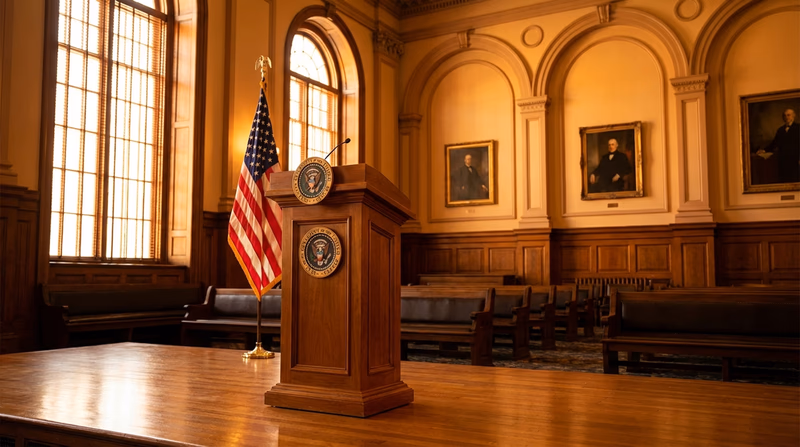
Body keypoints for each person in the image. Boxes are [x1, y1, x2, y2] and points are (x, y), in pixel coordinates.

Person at [758, 108, 800, 183]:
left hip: (795, 160)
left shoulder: (798, 128)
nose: (786, 117)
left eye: (788, 115)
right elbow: (774, 143)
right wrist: (764, 150)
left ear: (794, 116)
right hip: (783, 161)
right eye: (784, 115)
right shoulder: (780, 130)